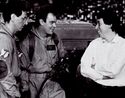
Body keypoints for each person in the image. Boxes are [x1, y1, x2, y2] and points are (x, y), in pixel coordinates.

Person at [19, 6, 66, 98]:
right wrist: (25, 89)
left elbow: (63, 57)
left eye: (55, 23)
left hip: (52, 83)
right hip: (33, 84)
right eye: (51, 22)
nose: (55, 26)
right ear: (41, 22)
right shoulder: (28, 42)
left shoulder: (55, 39)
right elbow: (22, 69)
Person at [80, 8, 125, 97]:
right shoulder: (94, 43)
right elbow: (84, 67)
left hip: (119, 91)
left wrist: (94, 68)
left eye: (99, 23)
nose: (96, 27)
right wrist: (101, 76)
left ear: (110, 24)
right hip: (96, 90)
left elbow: (113, 71)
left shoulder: (123, 44)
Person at [0, 0, 28, 98]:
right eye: (23, 18)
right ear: (13, 17)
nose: (26, 22)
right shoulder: (4, 39)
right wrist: (15, 94)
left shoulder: (10, 37)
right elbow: (3, 73)